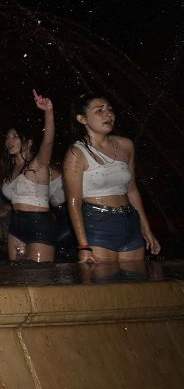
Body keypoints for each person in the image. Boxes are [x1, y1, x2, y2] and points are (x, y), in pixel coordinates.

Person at [63, 92, 160, 264]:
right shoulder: (77, 153)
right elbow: (73, 202)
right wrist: (83, 247)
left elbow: (132, 190)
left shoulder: (126, 145)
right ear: (82, 119)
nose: (108, 115)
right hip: (98, 224)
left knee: (135, 285)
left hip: (130, 222)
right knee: (105, 285)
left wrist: (146, 230)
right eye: (99, 111)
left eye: (110, 110)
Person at [0, 90, 62, 262]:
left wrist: (48, 111)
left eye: (15, 137)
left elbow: (48, 140)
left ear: (28, 141)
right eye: (7, 137)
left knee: (38, 276)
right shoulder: (11, 168)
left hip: (39, 224)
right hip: (16, 226)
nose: (9, 141)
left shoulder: (38, 164)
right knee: (17, 276)